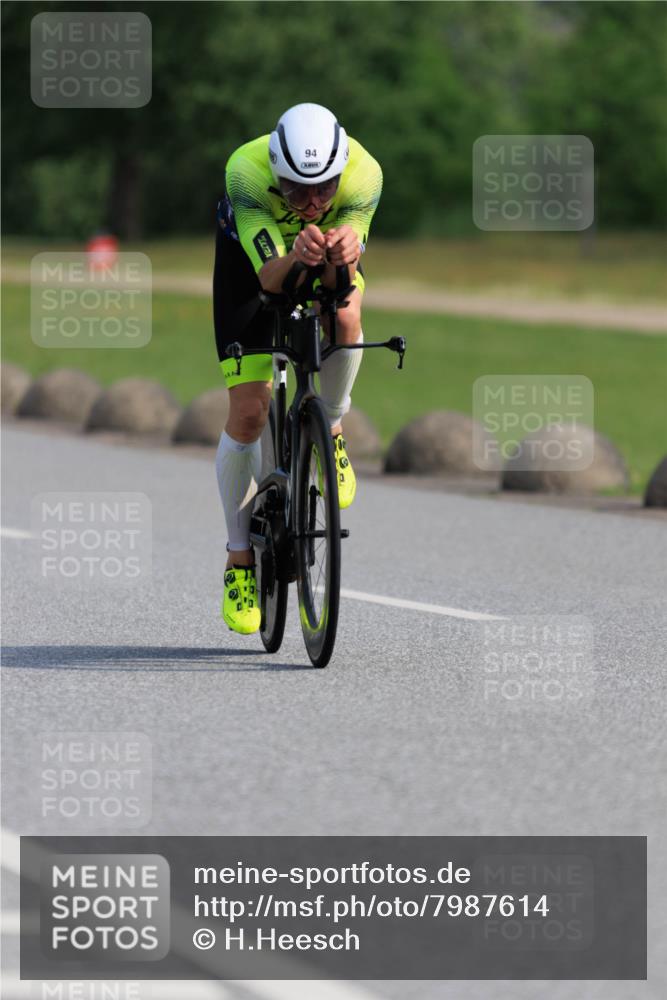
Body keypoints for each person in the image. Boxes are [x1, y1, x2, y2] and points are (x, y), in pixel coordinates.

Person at [214, 102, 382, 634]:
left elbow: (340, 287)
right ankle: (239, 558)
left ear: (340, 174)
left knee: (349, 311)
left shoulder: (365, 173)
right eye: (295, 191)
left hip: (322, 263)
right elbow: (268, 277)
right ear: (275, 171)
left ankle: (330, 424)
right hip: (251, 267)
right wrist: (299, 255)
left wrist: (341, 256)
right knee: (248, 412)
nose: (311, 204)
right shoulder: (245, 169)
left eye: (324, 192)